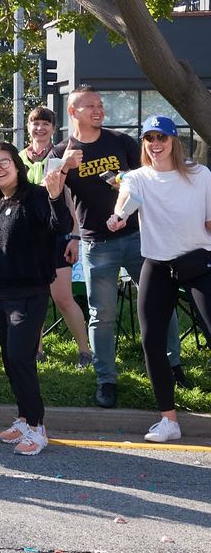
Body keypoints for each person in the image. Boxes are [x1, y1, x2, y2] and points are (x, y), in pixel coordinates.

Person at [52, 86, 184, 408]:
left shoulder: (121, 142)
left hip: (140, 237)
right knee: (102, 314)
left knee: (160, 302)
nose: (98, 110)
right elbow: (52, 200)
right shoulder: (60, 151)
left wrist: (125, 179)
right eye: (90, 106)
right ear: (73, 112)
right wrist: (64, 167)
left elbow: (151, 175)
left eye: (100, 105)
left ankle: (173, 366)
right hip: (97, 244)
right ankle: (106, 380)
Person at [109, 115, 211, 442]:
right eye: (149, 139)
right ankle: (169, 420)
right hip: (157, 262)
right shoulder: (138, 177)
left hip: (197, 260)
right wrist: (118, 216)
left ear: (174, 141)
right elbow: (125, 198)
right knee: (151, 341)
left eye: (161, 138)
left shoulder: (200, 174)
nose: (155, 145)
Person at [0, 143, 71, 456]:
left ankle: (37, 427)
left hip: (29, 293)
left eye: (4, 162)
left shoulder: (36, 196)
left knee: (21, 357)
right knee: (9, 360)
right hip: (0, 296)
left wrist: (57, 196)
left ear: (17, 165)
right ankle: (23, 418)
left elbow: (61, 226)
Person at [20, 106, 91, 367]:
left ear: (53, 127)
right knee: (33, 295)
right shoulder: (18, 158)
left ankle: (85, 351)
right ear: (28, 127)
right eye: (34, 123)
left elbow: (70, 200)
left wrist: (74, 236)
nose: (39, 128)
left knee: (62, 297)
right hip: (28, 239)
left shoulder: (61, 155)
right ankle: (37, 350)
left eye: (45, 124)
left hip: (58, 236)